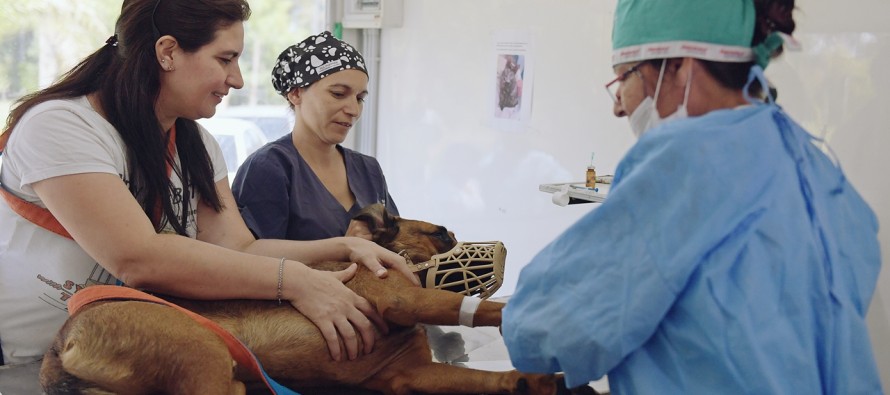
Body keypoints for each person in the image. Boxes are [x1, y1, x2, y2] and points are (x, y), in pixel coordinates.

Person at [0, 0, 418, 366]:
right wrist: (296, 281)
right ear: (167, 52)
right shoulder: (61, 125)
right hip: (38, 360)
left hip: (131, 353)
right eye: (225, 59)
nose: (236, 79)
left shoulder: (195, 142)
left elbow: (241, 247)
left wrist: (343, 247)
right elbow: (139, 258)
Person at [502, 0, 883, 394]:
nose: (618, 105)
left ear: (681, 64)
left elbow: (542, 327)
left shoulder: (689, 160)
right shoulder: (814, 166)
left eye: (625, 77)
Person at [231, 31, 398, 242]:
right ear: (296, 93)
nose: (353, 110)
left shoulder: (368, 170)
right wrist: (341, 250)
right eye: (338, 94)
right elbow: (252, 262)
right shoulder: (271, 168)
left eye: (360, 98)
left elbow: (399, 243)